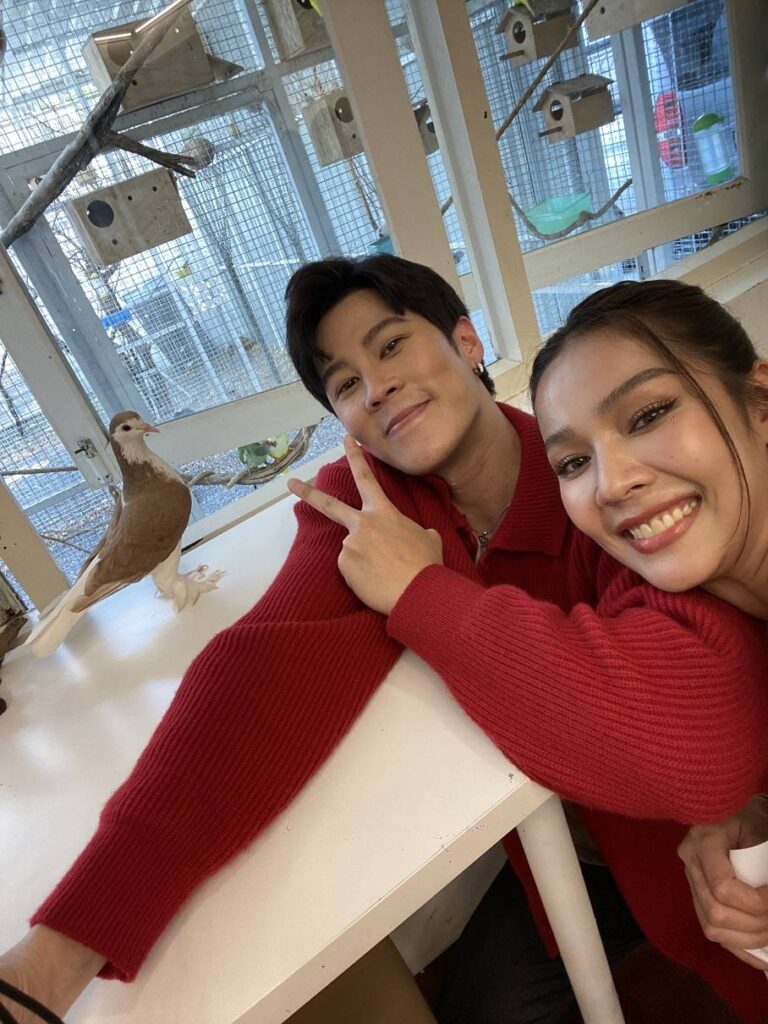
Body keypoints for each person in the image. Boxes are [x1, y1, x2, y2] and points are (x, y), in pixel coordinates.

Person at [1, 258, 766, 1024]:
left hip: (686, 859)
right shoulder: (373, 503)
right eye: (343, 383)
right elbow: (261, 679)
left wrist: (419, 592)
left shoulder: (599, 484)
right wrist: (56, 959)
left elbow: (690, 732)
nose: (374, 387)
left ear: (466, 341)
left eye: (391, 345)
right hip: (570, 855)